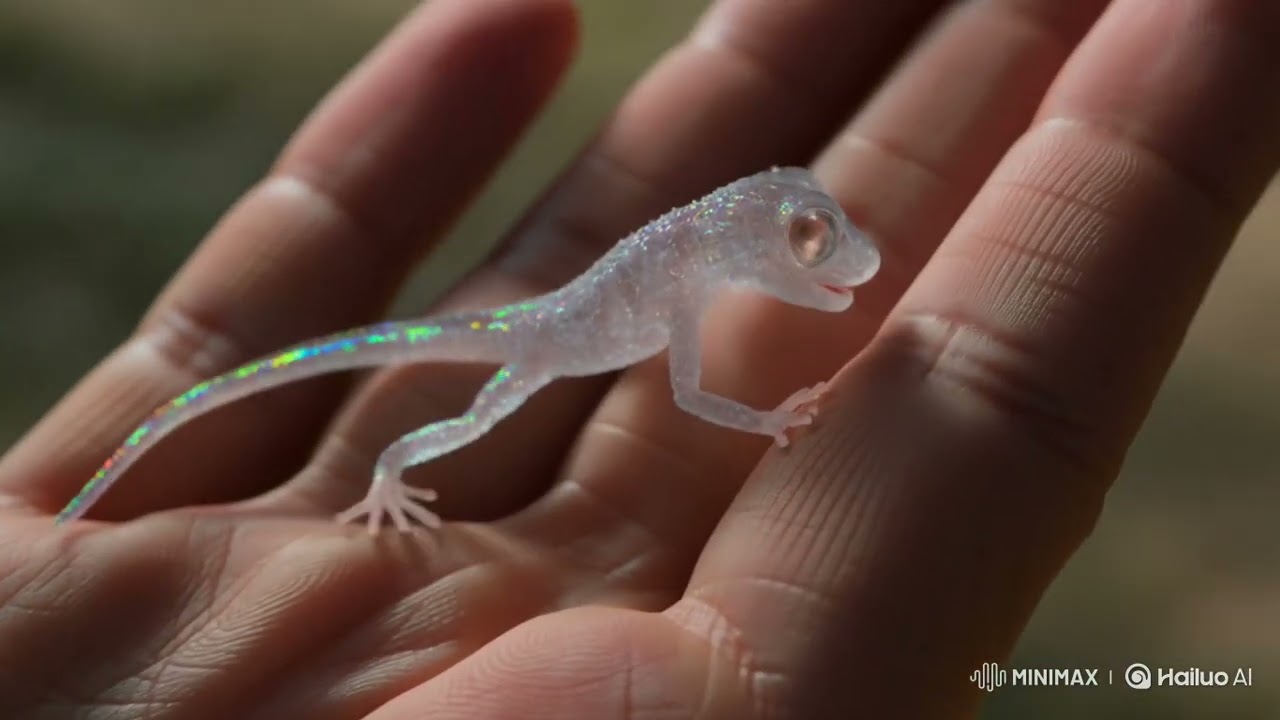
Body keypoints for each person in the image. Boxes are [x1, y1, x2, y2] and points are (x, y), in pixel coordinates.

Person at [0, 0, 1275, 717]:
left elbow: (730, 322)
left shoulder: (703, 264)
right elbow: (684, 392)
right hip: (543, 336)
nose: (816, 257)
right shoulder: (668, 289)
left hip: (567, 322)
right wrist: (769, 422)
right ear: (737, 232)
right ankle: (386, 464)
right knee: (451, 413)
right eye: (798, 239)